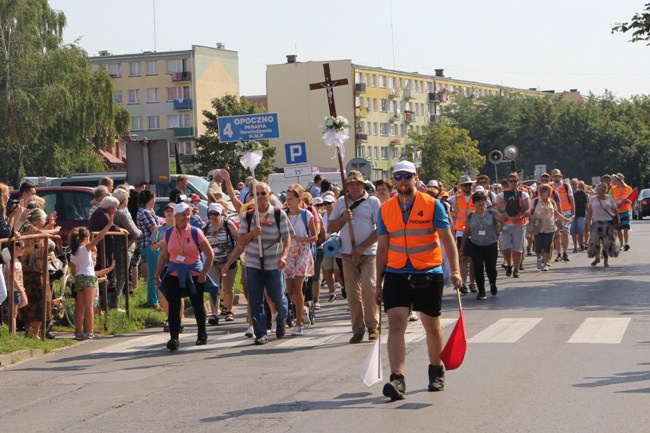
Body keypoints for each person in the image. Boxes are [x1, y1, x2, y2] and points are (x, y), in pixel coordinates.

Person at [375, 160, 462, 401]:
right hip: (396, 272)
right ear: (393, 180)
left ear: (416, 177)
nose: (403, 181)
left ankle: (436, 370)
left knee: (431, 325)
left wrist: (454, 270)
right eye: (398, 177)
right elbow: (382, 248)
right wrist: (377, 282)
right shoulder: (386, 209)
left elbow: (447, 240)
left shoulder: (433, 205)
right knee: (396, 322)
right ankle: (397, 379)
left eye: (407, 176)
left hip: (428, 271)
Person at [222, 182, 291, 345]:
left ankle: (281, 318)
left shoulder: (278, 214)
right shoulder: (248, 216)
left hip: (273, 262)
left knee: (277, 297)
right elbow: (241, 241)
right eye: (256, 194)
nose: (260, 197)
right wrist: (254, 233)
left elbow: (287, 238)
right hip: (253, 262)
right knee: (255, 299)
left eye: (263, 193)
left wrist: (284, 256)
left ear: (269, 195)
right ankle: (261, 332)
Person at [328, 170, 381, 344]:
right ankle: (358, 329)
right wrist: (343, 218)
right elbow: (331, 227)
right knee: (352, 293)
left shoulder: (372, 202)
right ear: (347, 186)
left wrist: (362, 247)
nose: (354, 186)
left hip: (368, 253)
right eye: (350, 184)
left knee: (369, 287)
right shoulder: (341, 203)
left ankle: (373, 326)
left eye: (357, 183)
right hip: (347, 254)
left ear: (363, 184)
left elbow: (380, 229)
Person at [154, 202, 216, 351]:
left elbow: (209, 254)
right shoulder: (168, 233)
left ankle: (202, 334)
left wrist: (203, 274)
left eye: (187, 214)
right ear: (175, 216)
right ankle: (174, 338)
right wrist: (156, 275)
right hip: (174, 273)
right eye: (182, 214)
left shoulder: (196, 232)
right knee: (174, 306)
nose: (186, 217)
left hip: (194, 273)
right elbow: (164, 255)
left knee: (197, 304)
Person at [68, 218, 115, 340]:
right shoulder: (85, 249)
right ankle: (90, 331)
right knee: (89, 306)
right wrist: (108, 225)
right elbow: (99, 237)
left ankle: (79, 331)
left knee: (80, 306)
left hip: (79, 278)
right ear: (85, 238)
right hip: (89, 276)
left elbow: (73, 271)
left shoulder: (73, 252)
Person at [19, 208, 60, 338]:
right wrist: (54, 230)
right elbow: (41, 234)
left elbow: (42, 233)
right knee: (35, 302)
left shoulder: (35, 229)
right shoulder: (28, 228)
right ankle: (32, 333)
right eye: (43, 221)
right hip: (33, 272)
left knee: (39, 302)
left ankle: (33, 333)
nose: (44, 223)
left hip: (39, 271)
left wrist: (49, 226)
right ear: (37, 220)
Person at [460, 190, 507, 299]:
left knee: (491, 268)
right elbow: (466, 232)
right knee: (478, 268)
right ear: (474, 203)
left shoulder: (492, 212)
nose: (481, 203)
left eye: (483, 201)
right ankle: (481, 291)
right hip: (476, 245)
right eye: (478, 201)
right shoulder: (471, 216)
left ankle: (492, 284)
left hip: (490, 244)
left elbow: (504, 219)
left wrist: (504, 210)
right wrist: (462, 246)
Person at [284, 184, 317, 336]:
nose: (288, 201)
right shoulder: (283, 215)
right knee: (290, 291)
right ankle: (303, 308)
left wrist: (301, 239)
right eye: (287, 198)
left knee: (297, 287)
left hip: (302, 251)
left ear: (299, 199)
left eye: (291, 199)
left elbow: (315, 237)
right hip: (288, 252)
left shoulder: (306, 215)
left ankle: (298, 325)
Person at [203, 203, 238, 322]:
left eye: (216, 214)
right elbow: (201, 243)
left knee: (228, 288)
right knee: (213, 288)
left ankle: (229, 310)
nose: (213, 217)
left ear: (220, 214)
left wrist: (233, 254)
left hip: (228, 261)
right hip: (213, 262)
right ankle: (214, 313)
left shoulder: (228, 225)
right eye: (211, 214)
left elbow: (239, 240)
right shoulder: (206, 228)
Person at [87, 196, 122, 309]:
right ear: (110, 207)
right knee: (104, 273)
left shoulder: (101, 213)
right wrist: (120, 230)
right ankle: (103, 305)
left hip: (104, 248)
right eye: (115, 207)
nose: (116, 210)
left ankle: (105, 304)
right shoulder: (101, 214)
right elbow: (110, 226)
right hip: (102, 249)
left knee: (107, 274)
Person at [496, 173, 530, 278]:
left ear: (518, 182)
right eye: (511, 181)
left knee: (517, 248)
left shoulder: (523, 194)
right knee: (505, 247)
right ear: (508, 182)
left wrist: (519, 218)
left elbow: (527, 210)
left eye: (515, 181)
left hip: (519, 224)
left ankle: (516, 268)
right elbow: (498, 208)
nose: (513, 183)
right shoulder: (502, 195)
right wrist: (507, 217)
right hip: (506, 224)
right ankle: (509, 264)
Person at [112, 188, 142, 300]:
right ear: (124, 200)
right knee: (121, 276)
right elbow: (134, 232)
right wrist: (140, 231)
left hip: (117, 246)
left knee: (118, 275)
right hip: (124, 247)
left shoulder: (114, 212)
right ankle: (115, 302)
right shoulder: (121, 214)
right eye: (127, 198)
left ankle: (114, 301)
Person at [530, 184, 568, 271]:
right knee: (538, 247)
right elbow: (530, 212)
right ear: (542, 193)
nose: (549, 194)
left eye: (550, 192)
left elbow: (555, 213)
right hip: (538, 227)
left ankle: (545, 263)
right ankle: (539, 258)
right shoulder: (535, 201)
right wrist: (533, 218)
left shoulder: (552, 202)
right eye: (548, 192)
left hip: (550, 227)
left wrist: (564, 219)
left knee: (547, 246)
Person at [449, 174, 476, 293]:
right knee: (463, 257)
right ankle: (463, 283)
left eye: (469, 185)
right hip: (460, 231)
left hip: (475, 231)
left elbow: (488, 206)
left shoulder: (477, 197)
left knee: (473, 259)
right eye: (465, 185)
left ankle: (472, 283)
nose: (468, 187)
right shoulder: (456, 198)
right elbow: (443, 202)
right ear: (461, 187)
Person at [136, 190, 161, 309]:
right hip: (150, 246)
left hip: (150, 245)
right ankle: (153, 301)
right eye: (154, 197)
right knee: (154, 274)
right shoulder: (145, 212)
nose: (155, 200)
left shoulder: (147, 211)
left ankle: (157, 298)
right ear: (150, 199)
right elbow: (154, 229)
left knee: (156, 273)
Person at [587, 183, 619, 267]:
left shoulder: (609, 198)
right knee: (595, 243)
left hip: (608, 224)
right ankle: (597, 258)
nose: (599, 191)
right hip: (596, 223)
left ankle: (605, 260)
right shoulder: (593, 199)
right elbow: (589, 212)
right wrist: (587, 223)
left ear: (605, 190)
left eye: (601, 190)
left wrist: (618, 220)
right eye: (597, 190)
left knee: (606, 243)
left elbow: (615, 210)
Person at [549, 169, 574, 262]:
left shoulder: (566, 186)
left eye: (558, 176)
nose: (556, 177)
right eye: (554, 176)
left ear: (561, 177)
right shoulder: (550, 186)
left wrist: (573, 211)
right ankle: (559, 253)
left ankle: (565, 252)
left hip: (566, 212)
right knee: (557, 234)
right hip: (554, 213)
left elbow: (571, 198)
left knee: (565, 232)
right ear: (552, 177)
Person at [3, 241, 28, 334]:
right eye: (22, 247)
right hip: (12, 289)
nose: (23, 250)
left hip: (17, 289)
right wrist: (21, 291)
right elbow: (12, 277)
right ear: (16, 248)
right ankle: (12, 334)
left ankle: (12, 333)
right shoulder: (11, 261)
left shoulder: (17, 261)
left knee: (15, 312)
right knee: (13, 314)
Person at [609, 173, 633, 251]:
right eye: (616, 180)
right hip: (617, 212)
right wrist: (615, 205)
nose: (617, 181)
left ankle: (626, 244)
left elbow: (632, 200)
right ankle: (621, 244)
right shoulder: (612, 189)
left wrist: (624, 202)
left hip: (626, 210)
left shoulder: (628, 188)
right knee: (619, 229)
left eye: (618, 180)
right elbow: (609, 200)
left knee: (626, 227)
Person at [570, 178, 588, 252]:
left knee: (580, 229)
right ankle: (575, 247)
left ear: (578, 184)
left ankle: (581, 244)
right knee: (573, 231)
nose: (574, 185)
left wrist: (589, 215)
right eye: (572, 184)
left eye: (575, 183)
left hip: (581, 213)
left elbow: (586, 204)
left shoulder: (582, 193)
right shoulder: (570, 194)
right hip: (572, 214)